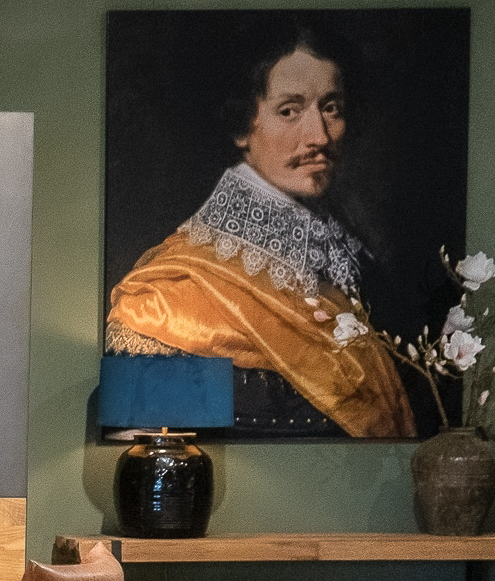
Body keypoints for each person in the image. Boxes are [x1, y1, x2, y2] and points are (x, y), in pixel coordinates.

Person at [107, 23, 413, 438]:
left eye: (331, 108)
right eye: (289, 111)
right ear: (241, 126)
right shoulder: (166, 299)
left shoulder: (352, 261)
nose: (319, 136)